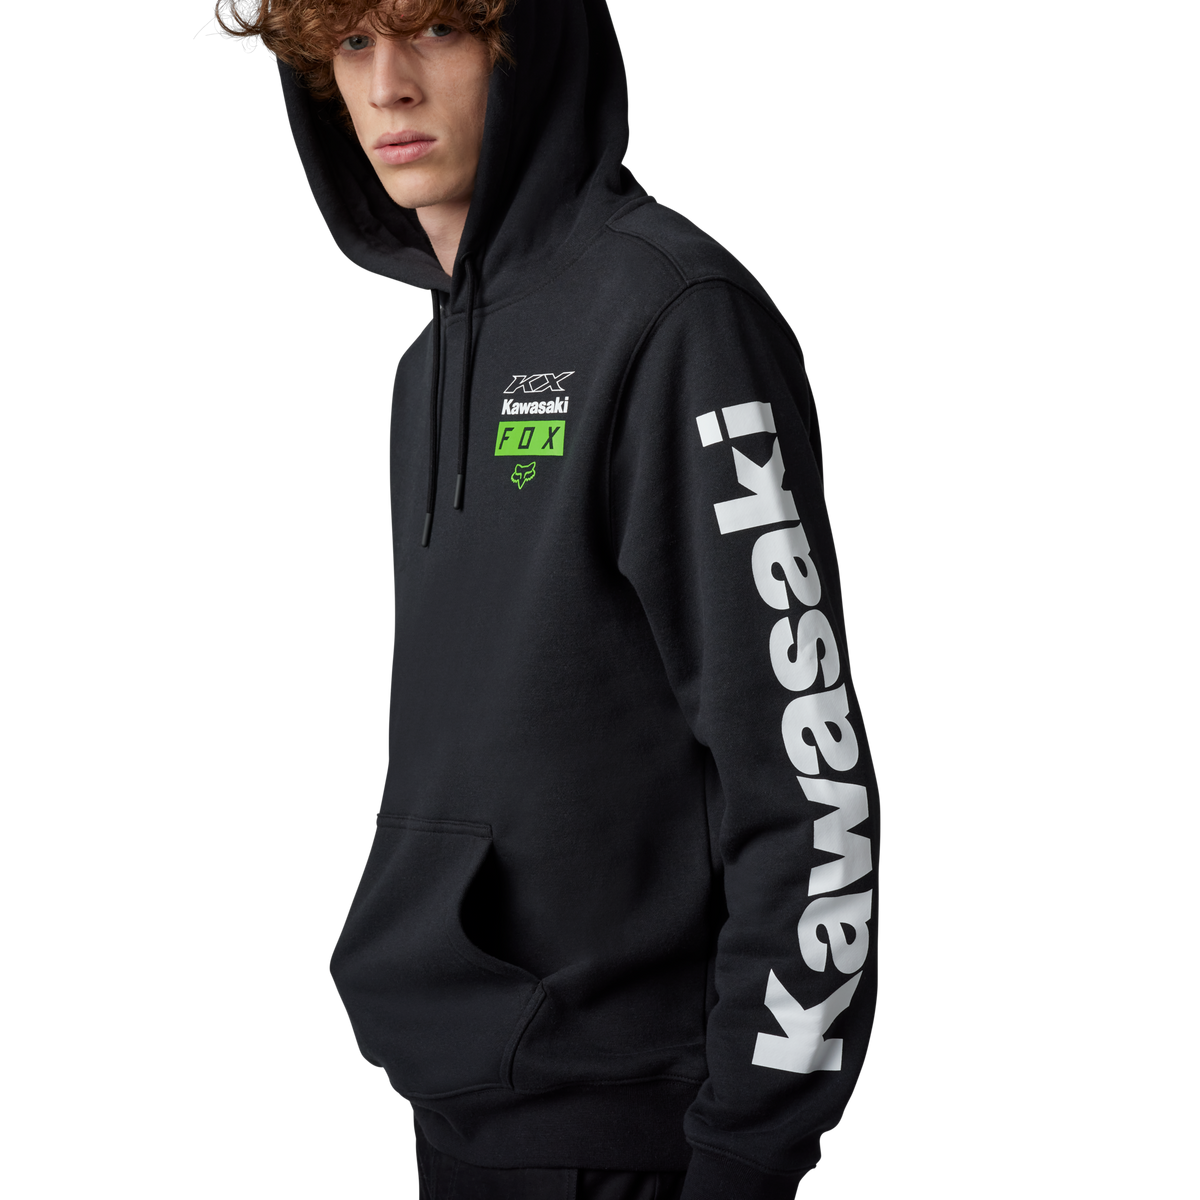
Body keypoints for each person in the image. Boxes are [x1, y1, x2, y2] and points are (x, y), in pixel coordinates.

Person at [212, 1, 882, 1196]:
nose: (387, 86)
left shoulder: (674, 313)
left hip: (640, 1133)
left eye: (434, 27)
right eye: (350, 42)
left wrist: (748, 1148)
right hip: (460, 1106)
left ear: (529, 40)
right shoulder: (423, 367)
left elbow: (805, 772)